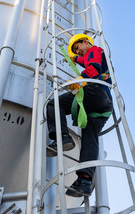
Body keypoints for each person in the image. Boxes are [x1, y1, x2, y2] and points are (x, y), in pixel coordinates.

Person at [46, 34, 113, 197]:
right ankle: (85, 181)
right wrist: (74, 59)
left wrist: (80, 80)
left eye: (78, 48)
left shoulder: (95, 50)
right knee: (90, 137)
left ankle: (62, 138)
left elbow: (93, 67)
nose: (79, 52)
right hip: (104, 106)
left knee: (54, 104)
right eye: (76, 51)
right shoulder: (90, 55)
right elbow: (85, 61)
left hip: (94, 93)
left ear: (85, 41)